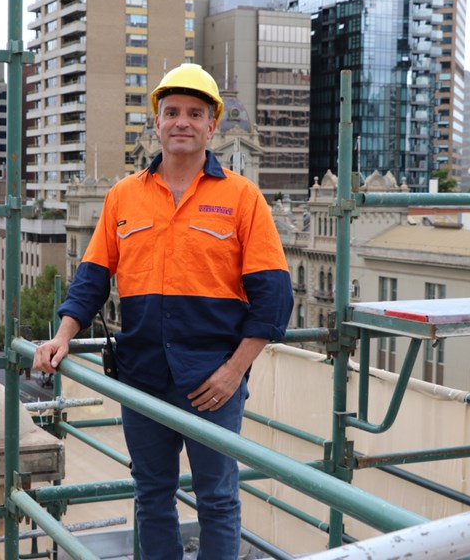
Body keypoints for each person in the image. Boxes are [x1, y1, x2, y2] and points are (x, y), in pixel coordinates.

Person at [33, 63, 293, 559]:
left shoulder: (243, 198)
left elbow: (275, 298)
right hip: (144, 376)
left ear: (211, 126)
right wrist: (63, 334)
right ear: (157, 122)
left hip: (213, 380)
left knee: (217, 498)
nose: (182, 122)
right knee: (151, 496)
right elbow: (92, 278)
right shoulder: (122, 197)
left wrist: (233, 373)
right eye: (171, 112)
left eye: (195, 114)